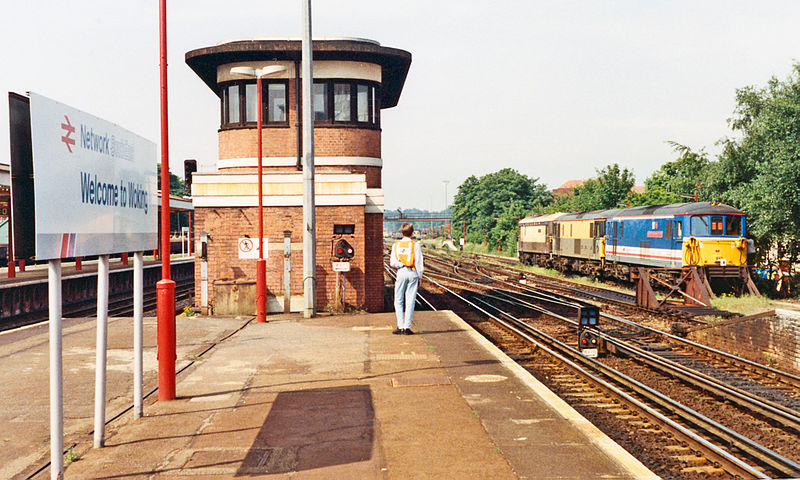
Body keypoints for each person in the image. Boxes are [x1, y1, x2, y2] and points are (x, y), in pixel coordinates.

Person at [390, 223, 424, 334]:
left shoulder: (396, 245)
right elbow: (419, 262)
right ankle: (407, 327)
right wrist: (420, 276)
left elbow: (392, 262)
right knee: (410, 300)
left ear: (402, 232)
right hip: (413, 272)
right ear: (412, 233)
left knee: (398, 300)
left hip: (401, 272)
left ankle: (400, 326)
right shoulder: (415, 245)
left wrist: (400, 264)